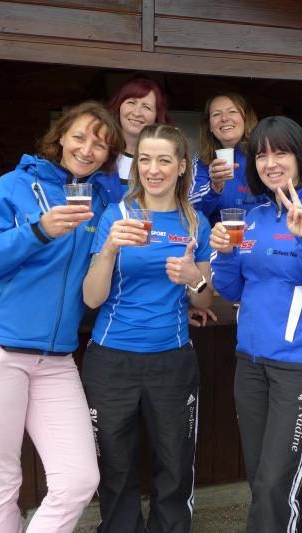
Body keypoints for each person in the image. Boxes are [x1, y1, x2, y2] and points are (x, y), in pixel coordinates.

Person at [0, 101, 123, 532]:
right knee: (0, 480)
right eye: (79, 137)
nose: (87, 149)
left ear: (109, 155)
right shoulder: (14, 185)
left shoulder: (102, 201)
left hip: (55, 359)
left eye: (100, 144)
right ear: (60, 137)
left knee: (79, 479)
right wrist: (38, 231)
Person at [209, 116, 302, 533]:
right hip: (251, 362)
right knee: (266, 481)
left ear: (299, 156)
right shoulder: (252, 216)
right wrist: (225, 253)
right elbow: (231, 290)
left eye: (280, 152)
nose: (270, 163)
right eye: (261, 155)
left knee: (274, 485)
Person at [82, 124, 212, 533]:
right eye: (145, 160)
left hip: (172, 359)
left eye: (164, 160)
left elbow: (205, 301)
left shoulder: (196, 222)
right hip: (111, 359)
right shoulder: (115, 215)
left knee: (175, 462)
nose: (153, 169)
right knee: (114, 464)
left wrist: (194, 279)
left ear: (181, 167)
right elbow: (92, 298)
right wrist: (109, 249)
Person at [189, 92, 262, 224]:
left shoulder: (262, 155)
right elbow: (191, 210)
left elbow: (277, 202)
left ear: (246, 119)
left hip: (258, 233)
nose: (224, 118)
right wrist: (214, 187)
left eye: (232, 111)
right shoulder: (201, 160)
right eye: (216, 114)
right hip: (216, 234)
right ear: (210, 126)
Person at [99, 77, 169, 202]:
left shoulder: (165, 163)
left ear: (156, 116)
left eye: (146, 107)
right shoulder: (99, 152)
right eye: (131, 102)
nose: (137, 113)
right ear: (119, 106)